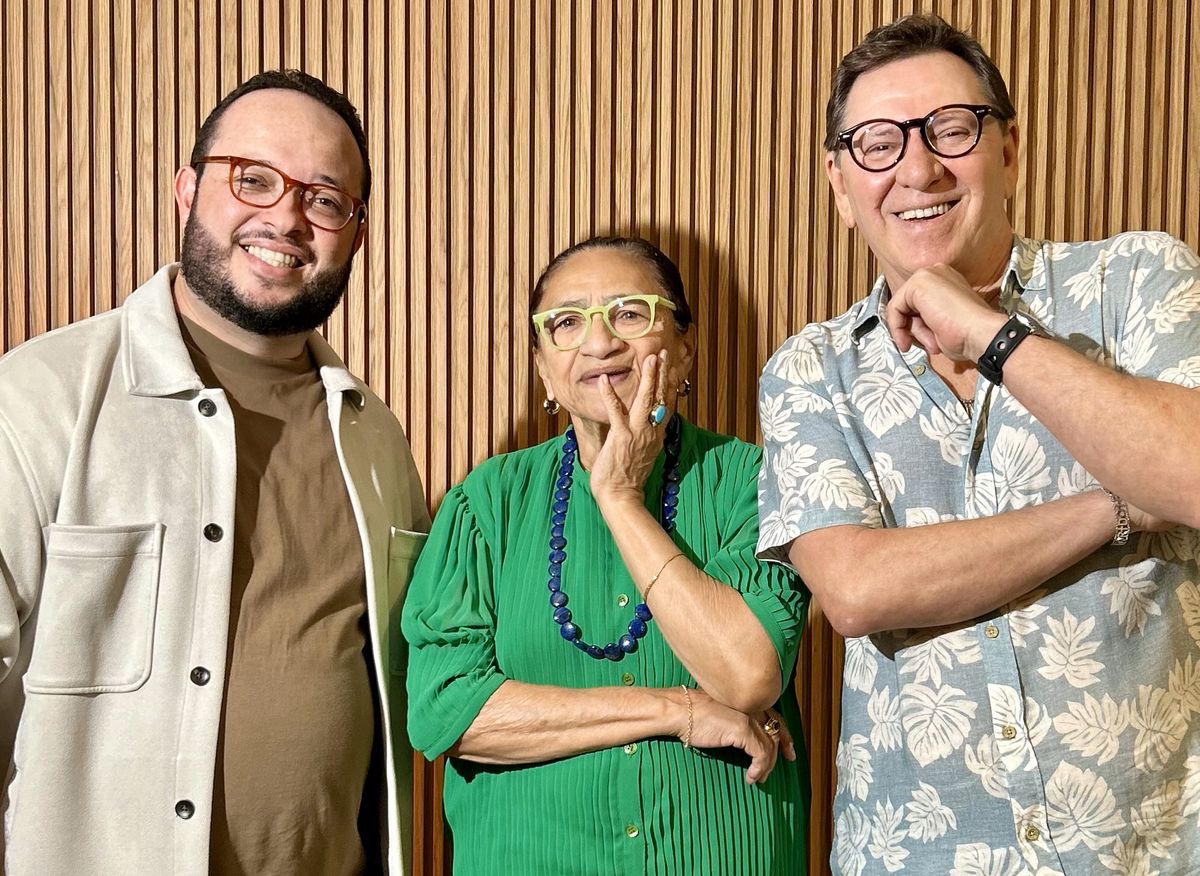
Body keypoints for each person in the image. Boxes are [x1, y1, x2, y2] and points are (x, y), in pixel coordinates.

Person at [757, 13, 1200, 875]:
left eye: (952, 130)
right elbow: (857, 588)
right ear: (840, 185)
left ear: (1010, 150)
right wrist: (1113, 505)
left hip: (1153, 848)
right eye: (878, 144)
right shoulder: (809, 369)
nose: (918, 168)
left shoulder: (1137, 278)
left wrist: (991, 336)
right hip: (919, 855)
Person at [0, 70, 430, 875]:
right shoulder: (38, 398)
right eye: (253, 179)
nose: (288, 217)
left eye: (326, 199)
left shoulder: (377, 439)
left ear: (356, 234)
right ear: (187, 189)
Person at [404, 236, 810, 874]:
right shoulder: (486, 503)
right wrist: (677, 711)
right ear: (543, 368)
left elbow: (746, 674)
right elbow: (447, 713)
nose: (599, 344)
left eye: (630, 313)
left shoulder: (753, 484)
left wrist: (621, 499)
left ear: (685, 348)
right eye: (566, 324)